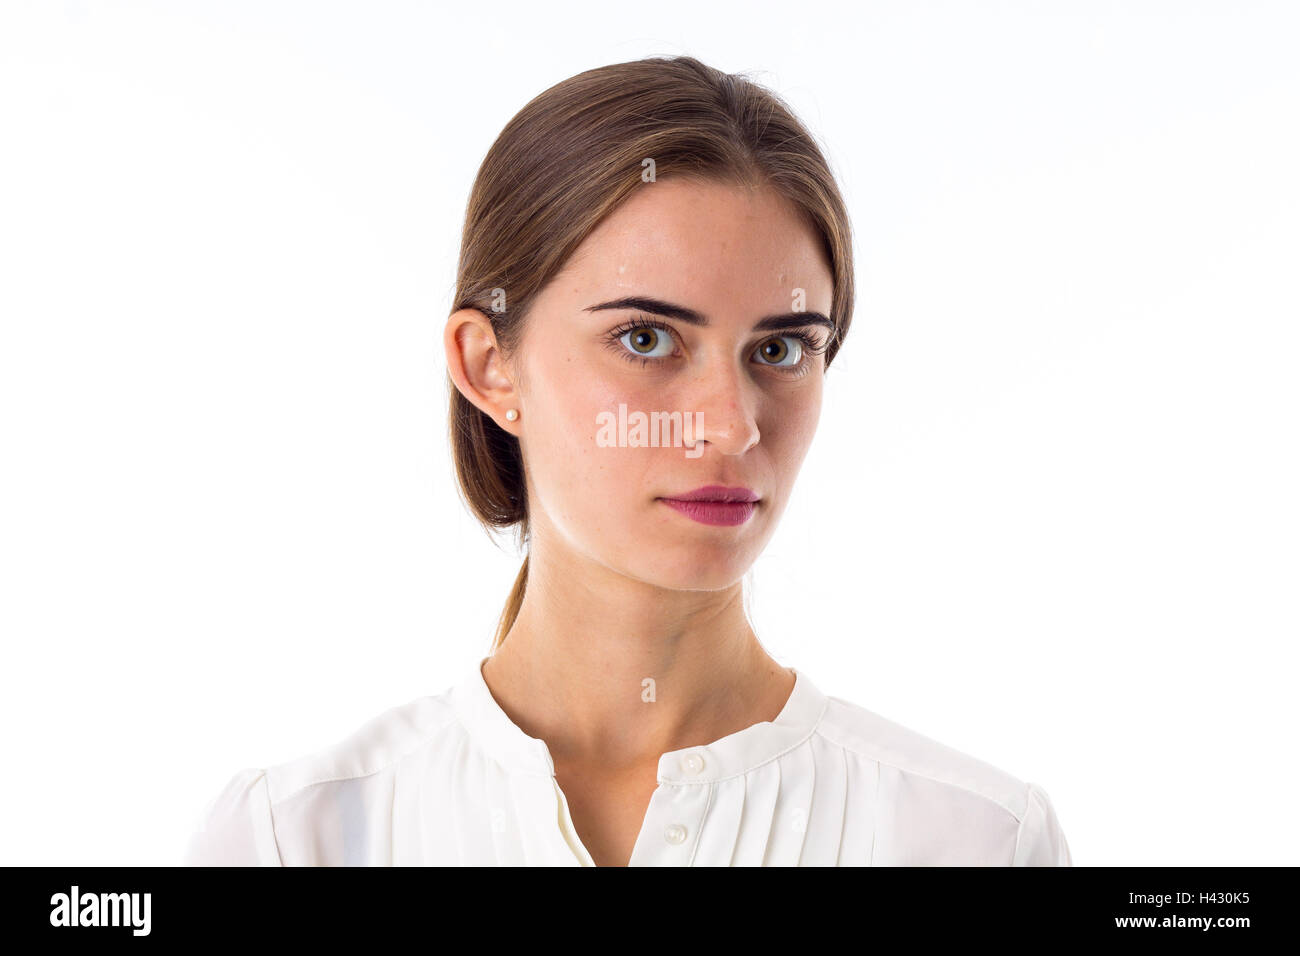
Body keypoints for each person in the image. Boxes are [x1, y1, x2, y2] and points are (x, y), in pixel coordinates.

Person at [183, 54, 1072, 866]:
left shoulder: (976, 842)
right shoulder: (293, 841)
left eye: (782, 349)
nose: (730, 428)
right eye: (646, 338)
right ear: (490, 367)